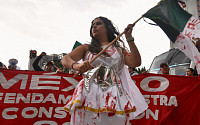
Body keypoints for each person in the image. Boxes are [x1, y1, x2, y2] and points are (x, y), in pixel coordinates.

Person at [61, 16, 148, 125]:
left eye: (98, 23)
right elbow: (65, 59)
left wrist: (129, 38)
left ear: (108, 28)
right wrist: (76, 65)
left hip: (115, 94)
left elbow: (135, 62)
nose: (94, 26)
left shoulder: (119, 50)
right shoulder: (86, 48)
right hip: (89, 93)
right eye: (93, 25)